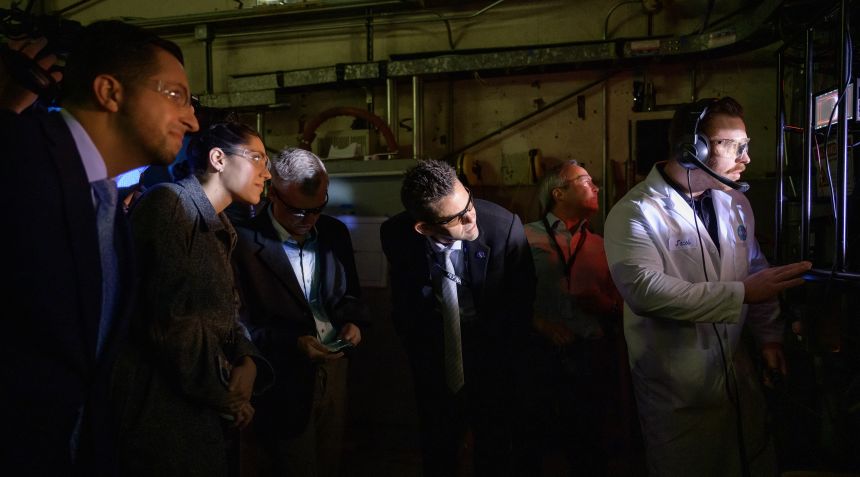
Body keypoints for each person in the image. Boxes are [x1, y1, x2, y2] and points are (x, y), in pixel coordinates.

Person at [0, 21, 199, 476]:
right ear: (110, 92)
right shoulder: (15, 159)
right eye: (176, 96)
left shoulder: (107, 200)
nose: (192, 120)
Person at [603, 97, 812, 476]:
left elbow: (757, 270)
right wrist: (743, 294)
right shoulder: (635, 212)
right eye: (734, 146)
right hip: (677, 390)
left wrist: (769, 338)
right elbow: (646, 291)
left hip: (737, 374)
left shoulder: (735, 204)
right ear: (691, 148)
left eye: (745, 145)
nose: (746, 158)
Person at [111, 121, 274, 477]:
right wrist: (224, 393)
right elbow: (170, 320)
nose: (267, 173)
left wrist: (247, 361)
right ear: (218, 158)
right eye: (258, 158)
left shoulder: (221, 228)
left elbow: (225, 312)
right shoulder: (169, 204)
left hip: (196, 406)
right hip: (159, 410)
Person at [380, 159, 536, 477]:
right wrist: (416, 345)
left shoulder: (503, 227)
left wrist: (508, 361)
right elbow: (405, 297)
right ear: (424, 227)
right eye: (457, 216)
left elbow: (521, 302)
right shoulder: (396, 234)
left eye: (469, 201)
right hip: (434, 349)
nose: (471, 216)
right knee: (438, 443)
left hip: (491, 349)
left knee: (494, 444)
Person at [232, 147, 370, 477]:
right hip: (280, 376)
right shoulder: (244, 243)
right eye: (298, 211)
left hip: (335, 368)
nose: (309, 220)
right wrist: (293, 342)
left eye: (317, 208)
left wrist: (354, 321)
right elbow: (240, 324)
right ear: (272, 194)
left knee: (329, 459)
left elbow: (348, 293)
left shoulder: (334, 233)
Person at [524, 160, 623, 476]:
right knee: (536, 446)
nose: (596, 187)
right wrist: (540, 323)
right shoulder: (524, 238)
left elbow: (621, 305)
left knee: (589, 446)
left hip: (589, 355)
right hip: (539, 355)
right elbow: (502, 297)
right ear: (558, 192)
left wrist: (605, 306)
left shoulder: (602, 246)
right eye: (586, 180)